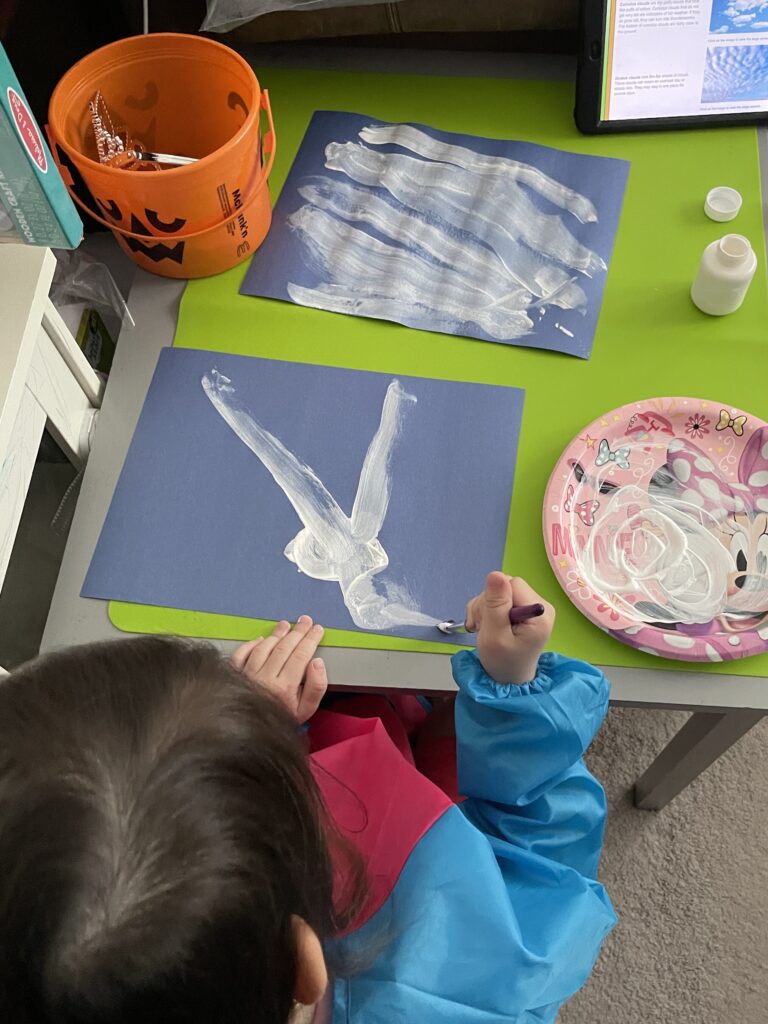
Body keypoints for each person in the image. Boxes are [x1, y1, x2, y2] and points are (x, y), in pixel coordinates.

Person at [0, 572, 616, 1024]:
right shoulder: (473, 984)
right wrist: (518, 695)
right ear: (305, 963)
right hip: (431, 857)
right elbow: (547, 867)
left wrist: (245, 729)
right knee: (434, 736)